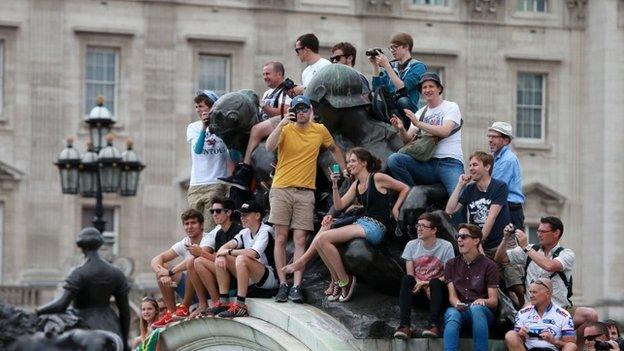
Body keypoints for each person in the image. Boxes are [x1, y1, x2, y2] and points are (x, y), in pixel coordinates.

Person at [283, 147, 409, 302]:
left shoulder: (377, 178)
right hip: (362, 223)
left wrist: (396, 208)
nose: (349, 164)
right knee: (324, 237)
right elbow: (339, 204)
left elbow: (404, 188)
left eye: (353, 161)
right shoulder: (356, 184)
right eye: (348, 161)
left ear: (364, 162)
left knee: (324, 238)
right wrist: (335, 185)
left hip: (375, 227)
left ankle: (342, 279)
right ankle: (337, 280)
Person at [266, 95, 347, 303]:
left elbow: (335, 148)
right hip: (281, 187)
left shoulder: (319, 130)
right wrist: (282, 122)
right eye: (297, 109)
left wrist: (344, 169)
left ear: (310, 110)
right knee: (281, 237)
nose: (301, 113)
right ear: (293, 111)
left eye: (304, 109)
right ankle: (283, 283)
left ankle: (296, 286)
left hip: (305, 190)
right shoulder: (285, 129)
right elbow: (268, 146)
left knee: (301, 238)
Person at [494, 216, 599, 348]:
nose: (538, 234)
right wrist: (505, 239)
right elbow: (499, 258)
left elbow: (550, 266)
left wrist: (526, 247)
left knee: (591, 315)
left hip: (561, 308)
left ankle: (573, 348)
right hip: (533, 308)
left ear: (556, 233)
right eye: (538, 231)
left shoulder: (566, 254)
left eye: (543, 232)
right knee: (514, 332)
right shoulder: (531, 249)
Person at [446, 151, 525, 306]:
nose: (471, 168)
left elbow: (491, 218)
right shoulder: (469, 190)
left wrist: (477, 242)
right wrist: (460, 185)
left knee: (515, 284)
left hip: (501, 242)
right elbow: (449, 210)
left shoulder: (499, 186)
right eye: (469, 165)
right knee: (491, 279)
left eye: (475, 164)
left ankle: (523, 305)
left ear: (487, 166)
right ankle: (505, 309)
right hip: (480, 243)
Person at [36, 227, 130, 351]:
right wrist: (124, 340)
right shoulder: (116, 273)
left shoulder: (78, 272)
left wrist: (37, 311)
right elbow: (125, 313)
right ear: (99, 244)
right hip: (110, 325)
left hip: (83, 326)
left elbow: (61, 304)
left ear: (81, 247)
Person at [386, 72, 464, 197]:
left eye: (431, 86)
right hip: (426, 163)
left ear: (439, 88)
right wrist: (400, 129)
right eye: (424, 87)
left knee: (458, 198)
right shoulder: (420, 112)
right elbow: (407, 140)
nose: (427, 90)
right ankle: (412, 195)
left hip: (450, 162)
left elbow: (445, 131)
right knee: (394, 159)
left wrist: (418, 124)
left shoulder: (451, 106)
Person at [218, 62, 292, 191]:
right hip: (268, 123)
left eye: (268, 73)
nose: (265, 77)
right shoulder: (268, 93)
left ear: (279, 74)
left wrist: (265, 107)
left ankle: (245, 171)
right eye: (263, 74)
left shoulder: (287, 91)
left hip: (283, 123)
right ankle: (238, 169)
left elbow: (286, 112)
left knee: (256, 129)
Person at [208, 201, 279, 318]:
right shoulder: (244, 232)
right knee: (222, 257)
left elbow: (253, 253)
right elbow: (223, 248)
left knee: (241, 259)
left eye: (245, 215)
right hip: (254, 276)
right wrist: (221, 254)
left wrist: (229, 251)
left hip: (270, 277)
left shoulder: (266, 230)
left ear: (257, 216)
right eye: (241, 215)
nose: (242, 218)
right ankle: (224, 302)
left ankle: (240, 306)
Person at [394, 212, 455, 339]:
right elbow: (410, 274)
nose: (419, 229)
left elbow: (449, 275)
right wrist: (422, 284)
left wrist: (427, 283)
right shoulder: (411, 245)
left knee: (435, 282)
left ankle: (434, 325)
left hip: (437, 293)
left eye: (423, 226)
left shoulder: (446, 246)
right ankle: (405, 326)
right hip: (419, 291)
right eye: (418, 225)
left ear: (434, 230)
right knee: (407, 279)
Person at [443, 224, 499, 351]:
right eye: (458, 236)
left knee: (477, 309)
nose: (459, 240)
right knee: (452, 314)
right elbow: (452, 296)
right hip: (461, 310)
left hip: (482, 313)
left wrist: (482, 301)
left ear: (476, 240)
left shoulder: (489, 265)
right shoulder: (451, 264)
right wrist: (457, 304)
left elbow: (493, 300)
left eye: (463, 237)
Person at [186, 198, 243, 318]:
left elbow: (231, 261)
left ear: (228, 213)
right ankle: (216, 302)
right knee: (196, 262)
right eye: (212, 211)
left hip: (239, 276)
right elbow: (216, 259)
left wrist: (201, 252)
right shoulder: (219, 234)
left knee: (200, 260)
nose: (214, 214)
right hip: (223, 274)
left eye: (218, 211)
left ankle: (220, 301)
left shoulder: (238, 230)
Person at [150, 209, 206, 327]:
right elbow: (157, 259)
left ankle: (184, 307)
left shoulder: (208, 239)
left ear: (201, 225)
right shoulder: (184, 242)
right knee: (161, 268)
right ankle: (171, 312)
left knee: (192, 263)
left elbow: (192, 260)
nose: (189, 227)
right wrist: (163, 273)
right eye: (186, 224)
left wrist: (170, 272)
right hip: (191, 289)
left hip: (206, 290)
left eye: (193, 223)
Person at [186, 90, 230, 230]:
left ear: (211, 107)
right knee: (194, 228)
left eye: (202, 106)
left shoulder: (224, 127)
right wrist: (204, 128)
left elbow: (234, 155)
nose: (198, 110)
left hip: (216, 183)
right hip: (196, 184)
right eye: (197, 107)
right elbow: (198, 150)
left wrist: (223, 131)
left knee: (209, 229)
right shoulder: (194, 127)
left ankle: (206, 252)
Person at [505, 278, 577, 351]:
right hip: (529, 349)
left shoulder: (563, 315)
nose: (531, 295)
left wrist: (553, 341)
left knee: (571, 346)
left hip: (551, 349)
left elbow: (570, 344)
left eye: (535, 292)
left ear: (547, 293)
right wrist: (520, 335)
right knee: (511, 335)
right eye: (530, 292)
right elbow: (516, 339)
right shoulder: (523, 313)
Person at [370, 32, 426, 112]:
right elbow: (376, 90)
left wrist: (387, 66)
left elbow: (403, 88)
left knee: (402, 101)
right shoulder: (391, 65)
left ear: (406, 47)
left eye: (395, 47)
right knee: (371, 104)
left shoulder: (418, 66)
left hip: (408, 110)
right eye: (390, 48)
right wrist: (375, 65)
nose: (392, 51)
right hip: (390, 107)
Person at [488, 121, 525, 229]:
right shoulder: (496, 158)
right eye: (489, 136)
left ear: (505, 140)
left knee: (510, 245)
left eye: (494, 137)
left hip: (509, 209)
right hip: (504, 206)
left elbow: (495, 187)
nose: (490, 140)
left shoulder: (508, 159)